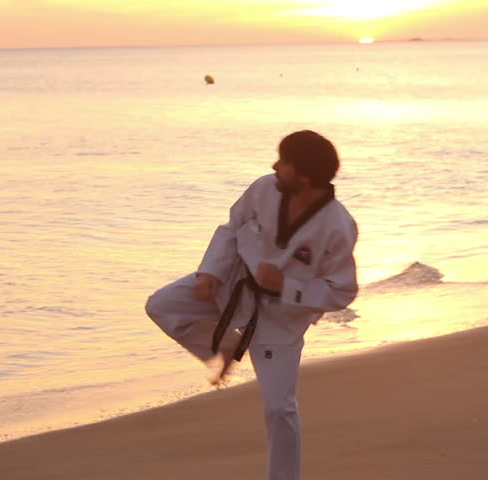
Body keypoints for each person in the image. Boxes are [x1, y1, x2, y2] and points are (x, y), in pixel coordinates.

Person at [145, 130, 359, 480]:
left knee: (279, 409)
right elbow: (231, 229)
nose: (275, 166)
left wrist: (287, 286)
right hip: (232, 285)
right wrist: (210, 271)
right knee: (163, 305)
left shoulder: (337, 225)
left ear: (304, 175)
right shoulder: (263, 189)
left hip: (280, 318)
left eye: (284, 161)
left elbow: (342, 291)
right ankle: (226, 346)